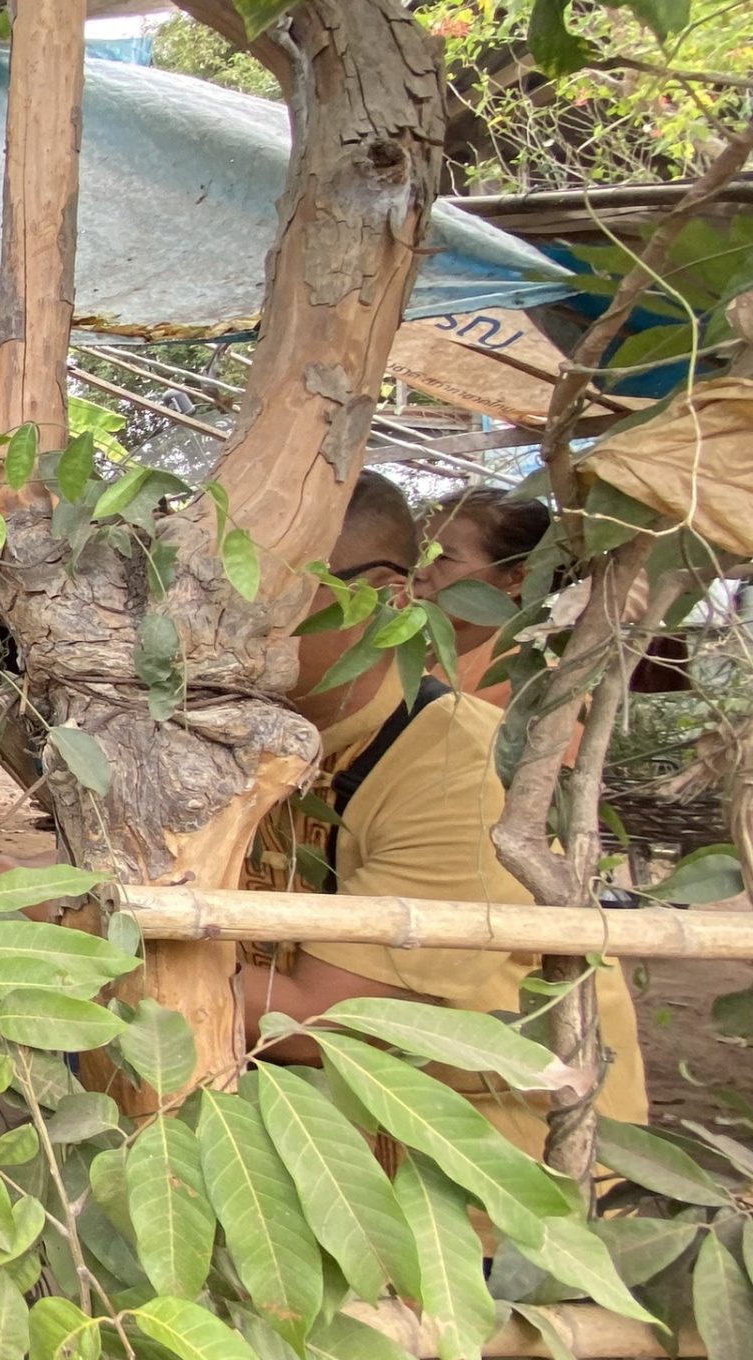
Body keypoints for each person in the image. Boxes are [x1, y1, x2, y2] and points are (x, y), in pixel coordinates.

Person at [243, 472, 649, 1160]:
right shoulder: (260, 735)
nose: (212, 627)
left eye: (256, 594)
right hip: (340, 1138)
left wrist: (83, 933)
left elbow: (331, 1026)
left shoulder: (462, 771)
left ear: (381, 597)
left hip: (488, 1179)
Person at [418, 485, 553, 708]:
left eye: (442, 558)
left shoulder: (539, 693)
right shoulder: (408, 657)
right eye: (417, 553)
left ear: (517, 578)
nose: (418, 572)